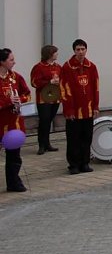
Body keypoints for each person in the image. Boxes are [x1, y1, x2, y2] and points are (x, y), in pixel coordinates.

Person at [60, 39, 99, 175]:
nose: (81, 52)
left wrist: (95, 106)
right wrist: (68, 109)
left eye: (83, 49)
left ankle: (85, 163)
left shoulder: (91, 67)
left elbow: (96, 88)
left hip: (88, 110)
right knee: (73, 139)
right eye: (78, 49)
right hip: (74, 111)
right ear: (74, 51)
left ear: (86, 50)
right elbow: (64, 89)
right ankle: (73, 165)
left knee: (86, 137)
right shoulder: (67, 67)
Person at [1, 48, 30, 192]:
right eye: (11, 60)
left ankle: (13, 182)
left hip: (14, 123)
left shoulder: (16, 77)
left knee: (14, 155)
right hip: (0, 122)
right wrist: (7, 101)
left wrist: (20, 99)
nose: (14, 62)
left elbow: (27, 94)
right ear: (2, 62)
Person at [30, 44, 62, 154]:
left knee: (49, 120)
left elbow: (63, 79)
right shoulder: (39, 67)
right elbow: (34, 82)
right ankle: (41, 145)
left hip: (55, 97)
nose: (57, 54)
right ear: (49, 54)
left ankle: (48, 143)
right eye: (55, 52)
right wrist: (49, 82)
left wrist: (59, 82)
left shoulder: (58, 67)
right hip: (43, 98)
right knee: (44, 120)